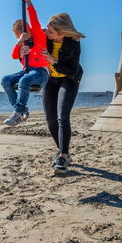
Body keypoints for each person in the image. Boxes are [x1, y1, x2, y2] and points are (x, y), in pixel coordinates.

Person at [22, 12, 85, 174]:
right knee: (50, 119)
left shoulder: (73, 44)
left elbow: (72, 70)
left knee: (62, 116)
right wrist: (23, 49)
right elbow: (28, 50)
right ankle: (64, 152)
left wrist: (52, 60)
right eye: (47, 28)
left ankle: (62, 156)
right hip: (50, 80)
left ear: (61, 32)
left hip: (69, 79)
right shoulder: (44, 37)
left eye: (50, 31)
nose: (46, 32)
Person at [1, 0, 49, 126]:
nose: (21, 37)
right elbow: (14, 56)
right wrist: (20, 44)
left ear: (27, 29)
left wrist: (28, 1)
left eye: (22, 34)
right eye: (18, 36)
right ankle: (21, 110)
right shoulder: (21, 44)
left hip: (40, 72)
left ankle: (18, 113)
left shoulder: (38, 34)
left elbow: (33, 17)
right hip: (26, 71)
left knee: (24, 80)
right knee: (5, 80)